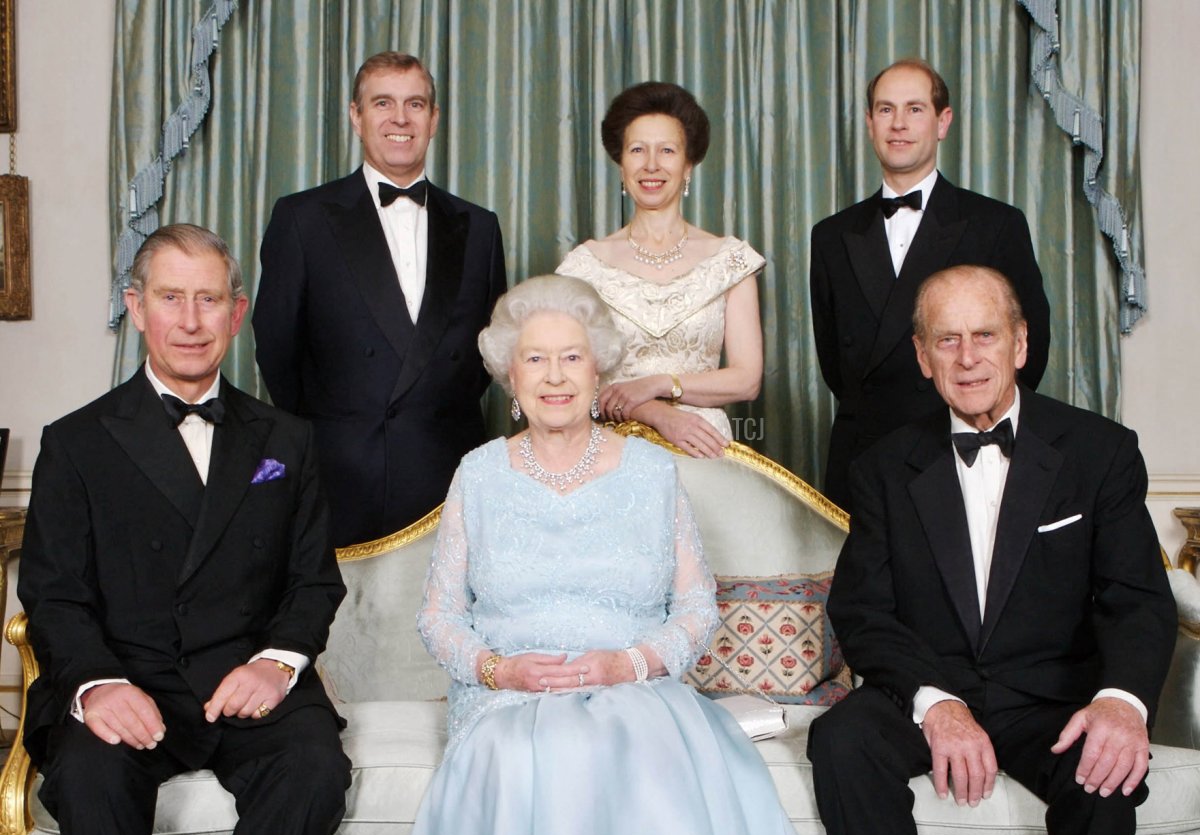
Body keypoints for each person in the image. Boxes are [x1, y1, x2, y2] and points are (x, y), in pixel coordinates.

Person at [370, 275, 860, 835]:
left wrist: (625, 662)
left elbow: (696, 611)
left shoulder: (649, 471)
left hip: (629, 682)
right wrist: (499, 671)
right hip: (510, 693)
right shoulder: (479, 474)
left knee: (623, 757)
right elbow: (439, 616)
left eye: (573, 358)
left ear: (600, 372)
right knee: (534, 758)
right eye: (536, 360)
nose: (556, 376)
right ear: (508, 376)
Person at [807, 265, 1176, 835]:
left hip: (1053, 694)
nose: (968, 357)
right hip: (936, 686)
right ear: (922, 356)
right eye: (947, 339)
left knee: (1110, 766)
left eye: (984, 336)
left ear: (1021, 343)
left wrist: (1121, 700)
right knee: (843, 738)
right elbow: (862, 610)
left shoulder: (1099, 451)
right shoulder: (883, 464)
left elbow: (1136, 599)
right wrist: (935, 704)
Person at [18, 224, 351, 835]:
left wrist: (279, 663)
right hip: (128, 680)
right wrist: (93, 682)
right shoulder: (77, 440)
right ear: (137, 308)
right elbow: (51, 594)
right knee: (85, 776)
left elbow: (314, 582)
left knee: (316, 764)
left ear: (237, 314)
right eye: (172, 298)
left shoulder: (288, 437)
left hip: (244, 675)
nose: (192, 320)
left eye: (211, 299)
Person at [254, 51, 507, 547]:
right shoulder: (303, 218)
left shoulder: (480, 227)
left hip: (450, 469)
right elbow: (276, 348)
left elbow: (489, 354)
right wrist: (341, 431)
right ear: (356, 115)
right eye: (382, 103)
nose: (400, 119)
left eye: (415, 104)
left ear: (434, 120)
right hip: (343, 473)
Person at [810, 58, 1051, 510]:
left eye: (915, 109)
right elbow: (834, 365)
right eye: (885, 110)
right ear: (869, 123)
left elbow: (1027, 350)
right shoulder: (830, 235)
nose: (898, 123)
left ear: (943, 122)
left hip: (962, 447)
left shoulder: (995, 224)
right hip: (865, 459)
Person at [557, 81, 763, 459]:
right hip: (612, 453)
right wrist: (651, 412)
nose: (651, 165)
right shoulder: (583, 267)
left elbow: (747, 380)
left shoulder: (730, 261)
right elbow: (568, 380)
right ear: (621, 164)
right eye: (638, 150)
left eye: (667, 150)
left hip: (702, 447)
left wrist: (659, 384)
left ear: (689, 164)